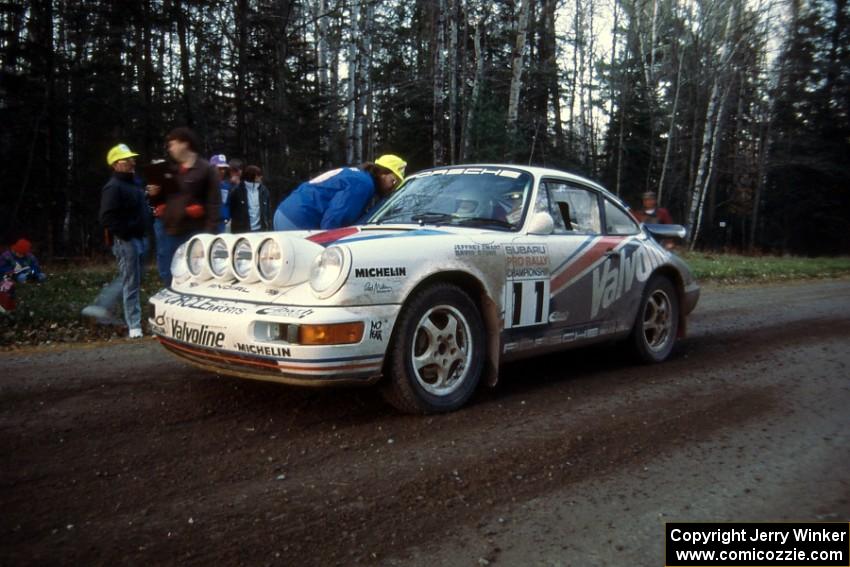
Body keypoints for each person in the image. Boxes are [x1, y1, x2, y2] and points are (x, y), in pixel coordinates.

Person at [81, 144, 148, 338]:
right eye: (127, 160)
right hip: (127, 242)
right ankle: (134, 327)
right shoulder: (113, 187)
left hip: (139, 239)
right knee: (130, 282)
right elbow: (106, 218)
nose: (132, 162)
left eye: (132, 159)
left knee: (132, 279)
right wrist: (125, 234)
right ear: (116, 164)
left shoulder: (134, 183)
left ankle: (103, 305)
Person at [147, 127, 221, 285]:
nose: (170, 148)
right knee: (168, 274)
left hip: (193, 232)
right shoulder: (170, 170)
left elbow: (214, 205)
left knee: (194, 276)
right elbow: (164, 200)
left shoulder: (206, 170)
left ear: (185, 144)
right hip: (169, 231)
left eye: (172, 144)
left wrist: (208, 237)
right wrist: (154, 195)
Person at [273, 154, 406, 230]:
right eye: (393, 181)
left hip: (286, 212)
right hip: (300, 219)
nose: (392, 187)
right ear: (382, 173)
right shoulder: (363, 184)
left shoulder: (358, 176)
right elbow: (333, 220)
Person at [228, 165, 272, 233]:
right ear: (252, 176)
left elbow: (268, 211)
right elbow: (231, 209)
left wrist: (269, 227)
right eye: (258, 175)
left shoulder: (264, 191)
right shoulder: (236, 191)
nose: (261, 177)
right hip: (242, 231)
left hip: (261, 230)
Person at [210, 153, 232, 232]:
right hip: (209, 224)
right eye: (219, 168)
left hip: (223, 224)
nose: (222, 171)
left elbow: (227, 204)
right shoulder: (205, 185)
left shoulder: (226, 186)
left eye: (224, 168)